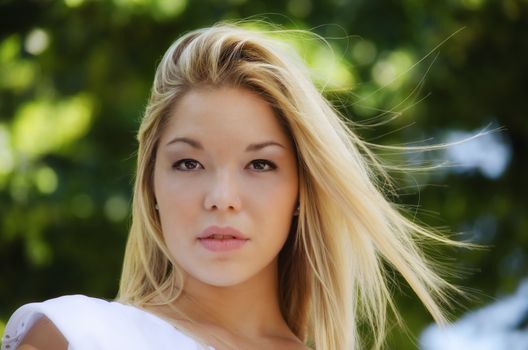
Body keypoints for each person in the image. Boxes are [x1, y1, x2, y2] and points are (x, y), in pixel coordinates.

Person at [2, 22, 461, 350]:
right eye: (188, 163)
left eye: (260, 164)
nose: (221, 198)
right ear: (150, 187)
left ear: (301, 191)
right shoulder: (79, 335)